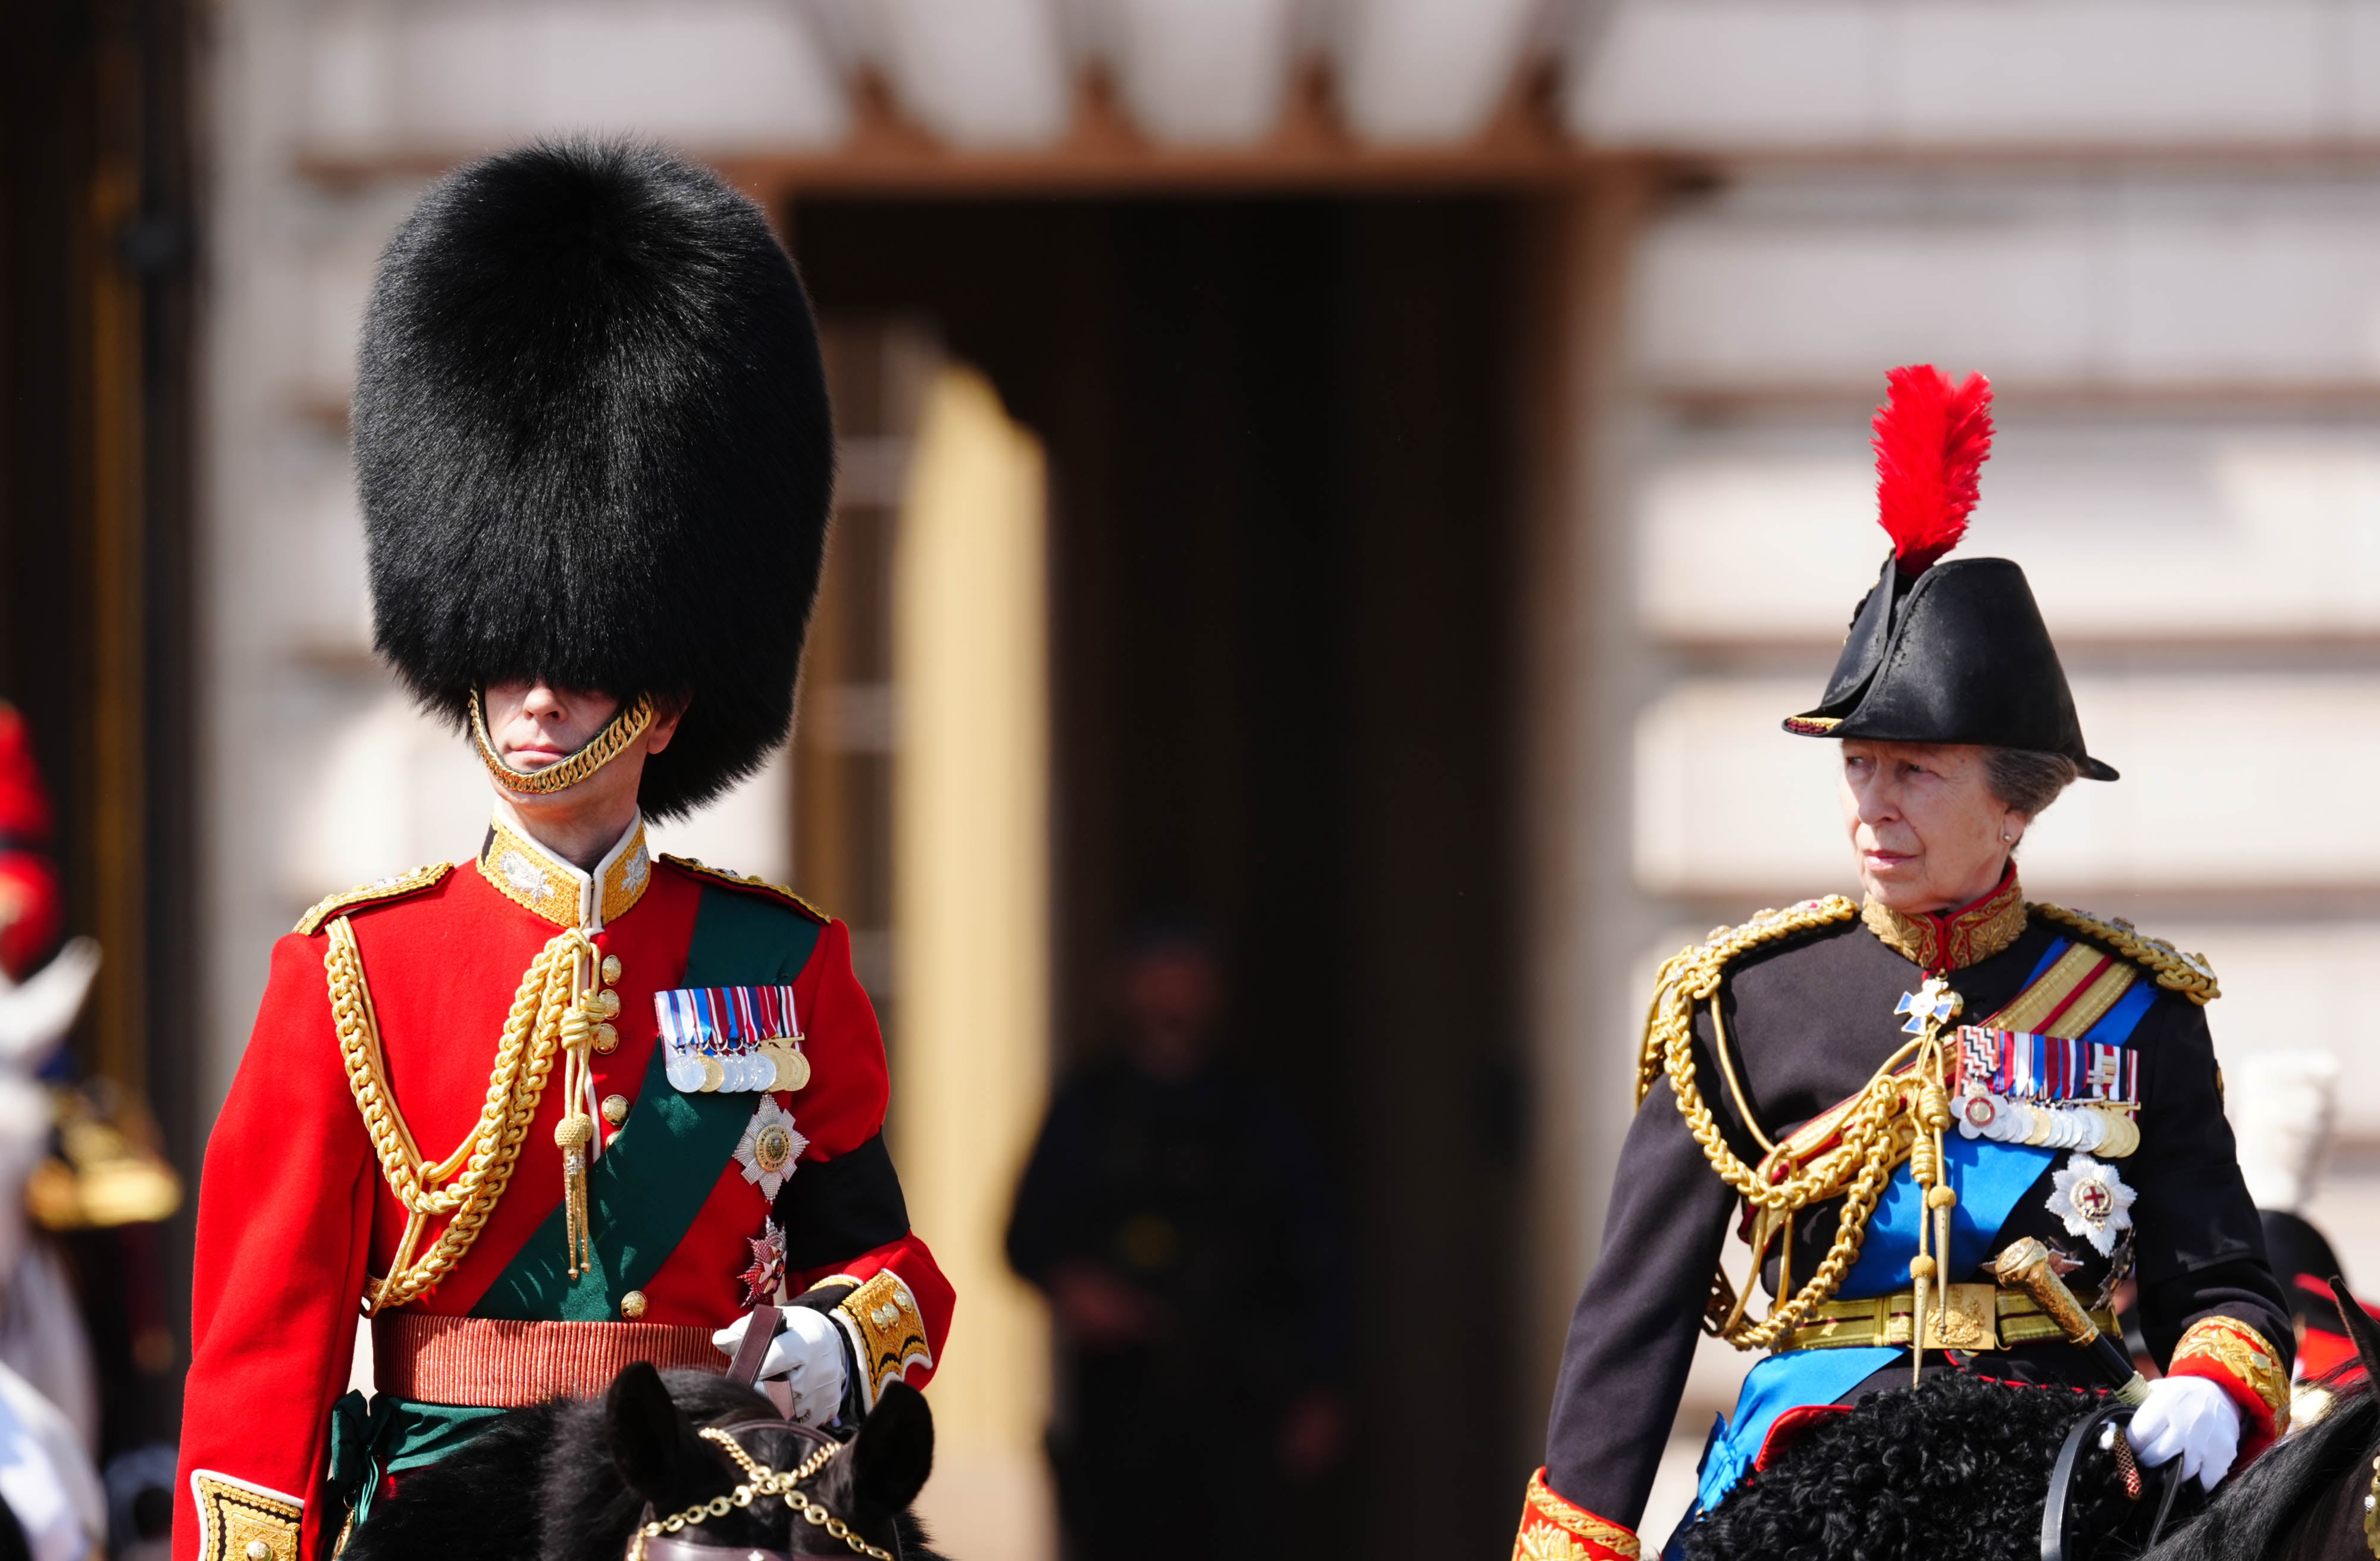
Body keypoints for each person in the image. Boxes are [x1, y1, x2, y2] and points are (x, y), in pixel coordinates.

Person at [174, 142, 952, 1561]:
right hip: (442, 1509)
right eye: (510, 654)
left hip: (702, 1500)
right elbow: (259, 1356)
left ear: (658, 697)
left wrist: (837, 1345)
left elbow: (886, 1259)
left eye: (583, 662)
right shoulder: (352, 972)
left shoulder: (779, 961)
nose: (537, 694)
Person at [1513, 367, 2293, 1561]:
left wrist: (2211, 1384)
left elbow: (2225, 1282)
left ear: (2015, 804)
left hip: (2057, 1466)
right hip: (1805, 1468)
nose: (1872, 808)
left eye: (1915, 773)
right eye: (1859, 768)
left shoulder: (2133, 1012)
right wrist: (1581, 1540)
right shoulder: (1739, 1004)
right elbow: (1635, 1317)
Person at [1007, 919, 1350, 1561]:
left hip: (1241, 1400)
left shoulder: (1259, 1111)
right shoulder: (1090, 1106)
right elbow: (1025, 1236)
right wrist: (1079, 1287)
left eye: (1187, 974)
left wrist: (1323, 1387)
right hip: (1122, 1409)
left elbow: (1318, 1251)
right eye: (1157, 974)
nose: (1172, 994)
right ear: (1126, 986)